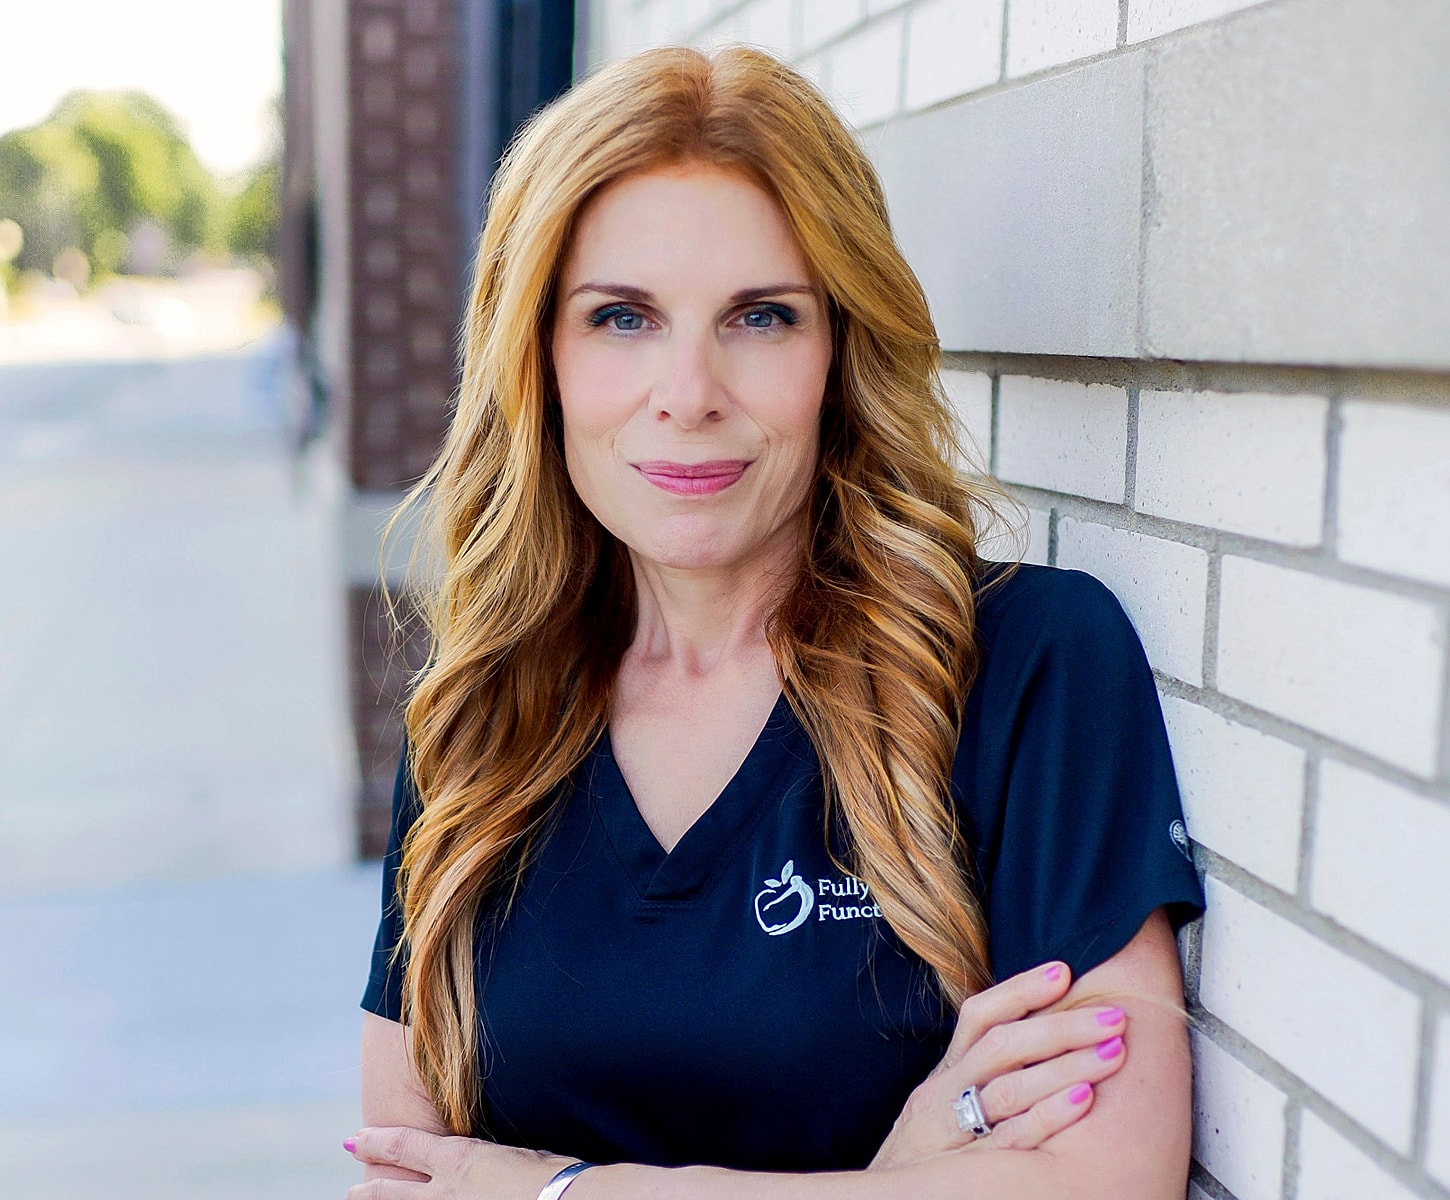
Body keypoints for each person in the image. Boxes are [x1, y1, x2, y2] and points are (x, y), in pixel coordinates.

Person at [346, 44, 1205, 1200]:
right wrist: (888, 1177)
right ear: (536, 358)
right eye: (620, 318)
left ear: (840, 349)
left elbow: (1106, 1182)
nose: (689, 394)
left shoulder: (1025, 666)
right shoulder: (481, 724)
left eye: (759, 317)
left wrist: (562, 1191)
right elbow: (407, 1181)